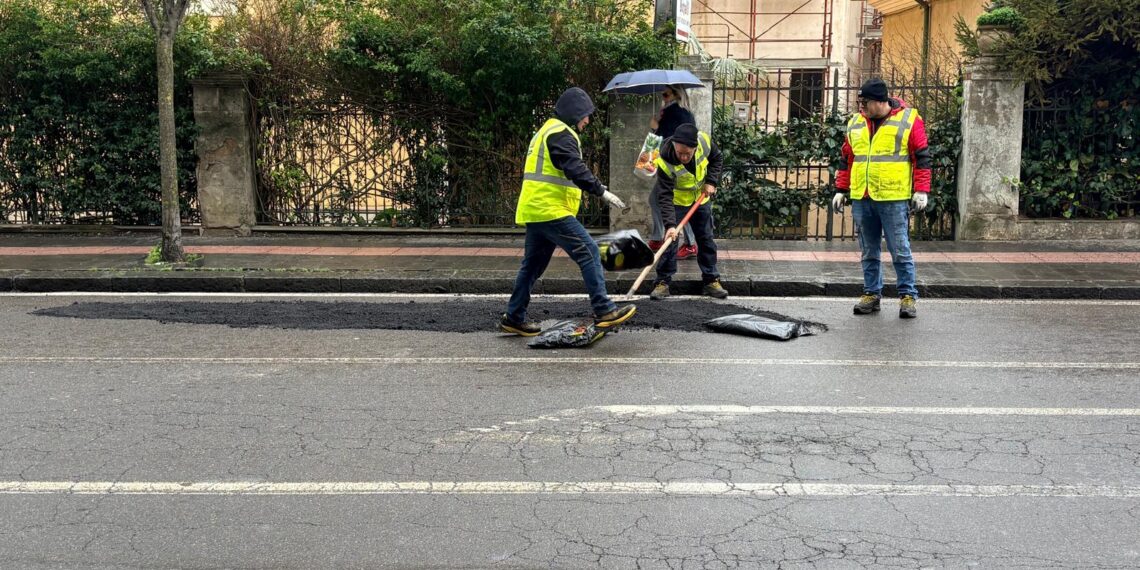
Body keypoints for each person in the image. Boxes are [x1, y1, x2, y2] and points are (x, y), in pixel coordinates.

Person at [499, 87, 637, 336]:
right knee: (589, 251)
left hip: (536, 210)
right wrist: (601, 192)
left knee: (532, 266)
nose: (587, 120)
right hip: (551, 210)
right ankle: (604, 310)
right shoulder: (561, 133)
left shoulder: (546, 130)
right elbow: (575, 168)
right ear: (574, 113)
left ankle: (514, 317)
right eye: (585, 115)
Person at [831, 78, 931, 319]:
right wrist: (841, 189)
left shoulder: (908, 120)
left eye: (864, 102)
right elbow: (847, 158)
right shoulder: (855, 123)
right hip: (863, 196)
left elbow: (922, 157)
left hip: (893, 197)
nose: (860, 106)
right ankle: (871, 294)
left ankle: (907, 297)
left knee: (900, 250)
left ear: (879, 101)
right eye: (859, 102)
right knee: (868, 251)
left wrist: (921, 190)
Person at [648, 123, 729, 301]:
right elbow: (664, 195)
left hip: (701, 199)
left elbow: (717, 158)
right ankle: (662, 282)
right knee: (670, 241)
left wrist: (711, 181)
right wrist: (670, 225)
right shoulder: (664, 159)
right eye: (680, 153)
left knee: (706, 240)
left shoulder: (704, 142)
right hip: (677, 202)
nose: (684, 157)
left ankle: (711, 281)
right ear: (674, 145)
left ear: (695, 148)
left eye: (688, 153)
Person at [647, 85, 698, 260]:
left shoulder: (675, 112)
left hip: (674, 167)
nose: (663, 97)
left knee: (675, 205)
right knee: (656, 199)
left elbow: (665, 140)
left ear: (676, 94)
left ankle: (690, 244)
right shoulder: (681, 112)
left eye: (665, 94)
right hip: (677, 166)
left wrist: (655, 127)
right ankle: (658, 238)